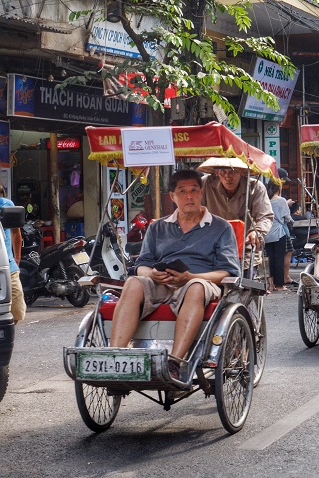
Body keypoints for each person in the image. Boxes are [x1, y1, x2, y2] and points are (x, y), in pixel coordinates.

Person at [108, 170, 241, 379]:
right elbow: (141, 265)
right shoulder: (157, 227)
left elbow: (228, 271)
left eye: (194, 191)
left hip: (201, 283)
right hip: (162, 284)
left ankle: (175, 363)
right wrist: (152, 274)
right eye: (182, 191)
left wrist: (190, 277)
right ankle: (114, 360)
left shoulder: (220, 227)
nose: (189, 196)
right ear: (172, 197)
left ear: (201, 193)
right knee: (133, 282)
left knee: (195, 287)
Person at [199, 157, 273, 276]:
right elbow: (194, 212)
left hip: (245, 247)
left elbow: (265, 216)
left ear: (241, 171)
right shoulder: (204, 184)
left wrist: (256, 231)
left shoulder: (256, 187)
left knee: (246, 284)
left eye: (233, 171)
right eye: (223, 172)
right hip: (211, 247)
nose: (228, 177)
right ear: (217, 172)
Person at [0, 186, 24, 325]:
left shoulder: (7, 205)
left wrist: (17, 257)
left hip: (7, 264)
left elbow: (16, 233)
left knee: (17, 304)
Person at [266, 182, 292, 292]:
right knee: (279, 258)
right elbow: (287, 217)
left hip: (267, 232)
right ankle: (280, 285)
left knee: (270, 258)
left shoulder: (266, 200)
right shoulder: (281, 200)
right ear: (279, 188)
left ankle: (271, 284)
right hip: (278, 232)